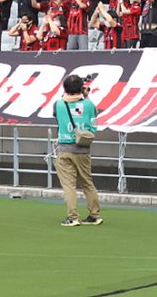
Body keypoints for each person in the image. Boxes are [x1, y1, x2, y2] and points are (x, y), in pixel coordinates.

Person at [54, 74, 102, 227]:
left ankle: (73, 217)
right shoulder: (89, 105)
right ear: (81, 88)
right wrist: (85, 96)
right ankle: (94, 215)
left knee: (69, 185)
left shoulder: (58, 104)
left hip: (65, 148)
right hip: (83, 148)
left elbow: (57, 113)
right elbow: (94, 118)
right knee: (87, 183)